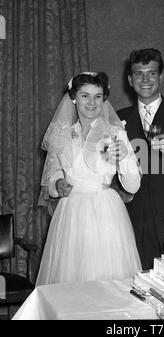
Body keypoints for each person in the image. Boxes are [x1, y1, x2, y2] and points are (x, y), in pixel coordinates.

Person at [36, 72, 142, 285]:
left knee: (106, 280)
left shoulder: (115, 133)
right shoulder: (62, 134)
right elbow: (53, 173)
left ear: (104, 99)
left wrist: (125, 158)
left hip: (105, 212)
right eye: (85, 96)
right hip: (71, 213)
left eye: (98, 96)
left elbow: (133, 186)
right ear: (74, 97)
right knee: (71, 279)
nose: (91, 102)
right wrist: (57, 184)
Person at [116, 48, 164, 270]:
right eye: (138, 74)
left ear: (161, 77)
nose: (145, 79)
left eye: (151, 73)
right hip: (133, 222)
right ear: (130, 80)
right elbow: (107, 171)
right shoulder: (116, 119)